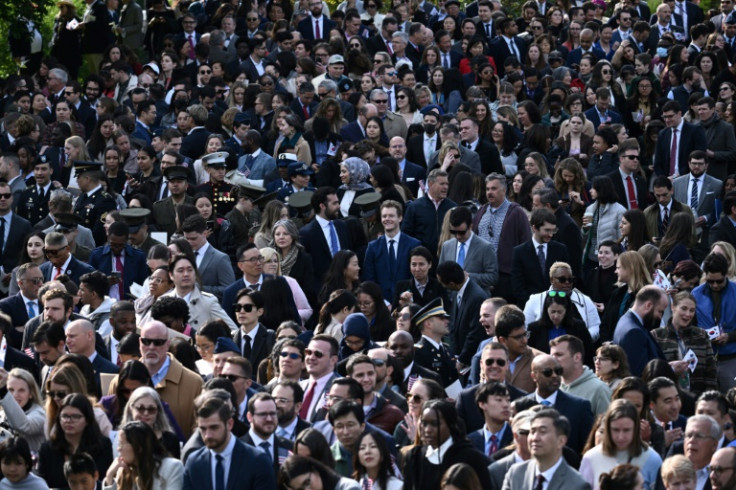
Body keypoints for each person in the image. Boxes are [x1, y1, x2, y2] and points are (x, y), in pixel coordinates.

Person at [182, 394, 275, 490]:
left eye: (214, 427)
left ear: (230, 424)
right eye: (203, 429)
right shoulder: (193, 463)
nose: (207, 435)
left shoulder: (258, 461)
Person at [402, 400, 493, 490]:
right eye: (424, 423)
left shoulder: (470, 457)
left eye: (435, 424)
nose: (427, 430)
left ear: (451, 425)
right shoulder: (414, 457)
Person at [579, 399, 662, 490]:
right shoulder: (591, 458)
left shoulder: (652, 459)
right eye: (616, 430)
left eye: (626, 430)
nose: (621, 437)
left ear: (636, 428)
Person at [501, 408, 591, 490]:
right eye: (532, 431)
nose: (535, 438)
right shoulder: (515, 473)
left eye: (543, 432)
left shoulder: (577, 484)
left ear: (561, 441)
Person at [37, 394, 113, 489]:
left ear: (87, 419)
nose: (68, 421)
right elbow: (42, 484)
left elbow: (100, 483)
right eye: (64, 416)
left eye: (76, 416)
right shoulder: (47, 448)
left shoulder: (103, 445)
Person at [652, 292, 718, 396]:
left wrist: (708, 397)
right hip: (667, 397)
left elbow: (711, 370)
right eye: (684, 308)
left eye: (692, 310)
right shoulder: (656, 336)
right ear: (673, 307)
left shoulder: (701, 335)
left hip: (697, 398)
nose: (688, 314)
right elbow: (652, 371)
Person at [103, 421, 184, 490]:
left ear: (138, 448)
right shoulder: (124, 470)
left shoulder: (172, 467)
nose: (118, 449)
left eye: (121, 444)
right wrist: (109, 476)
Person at [0, 368, 46, 453]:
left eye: (21, 390)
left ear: (31, 394)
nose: (15, 395)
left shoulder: (40, 414)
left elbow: (24, 425)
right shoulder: (2, 414)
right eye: (10, 390)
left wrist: (3, 391)